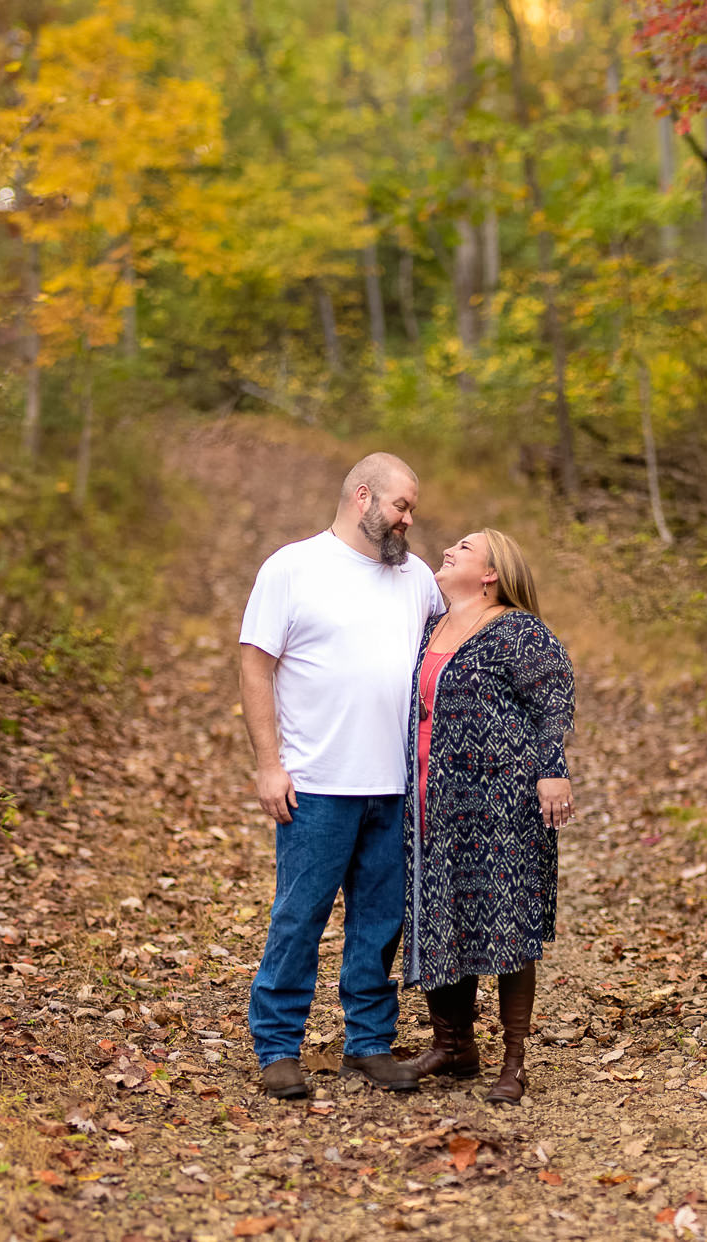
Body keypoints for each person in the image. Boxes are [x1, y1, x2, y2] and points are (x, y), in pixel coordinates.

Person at [235, 452, 443, 1100]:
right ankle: (277, 1048)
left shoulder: (415, 577)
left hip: (396, 784)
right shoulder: (292, 569)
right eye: (401, 506)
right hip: (318, 783)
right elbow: (253, 666)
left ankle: (369, 1044)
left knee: (380, 921)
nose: (409, 519)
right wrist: (270, 765)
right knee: (300, 917)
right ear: (362, 497)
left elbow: (448, 647)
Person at [393, 527, 575, 1104]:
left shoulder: (516, 631)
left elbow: (554, 698)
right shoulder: (429, 629)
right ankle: (453, 1046)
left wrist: (552, 768)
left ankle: (514, 1062)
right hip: (431, 802)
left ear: (492, 572)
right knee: (440, 915)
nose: (448, 550)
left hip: (502, 804)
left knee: (508, 922)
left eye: (464, 549)